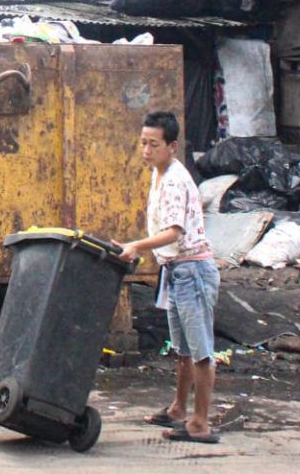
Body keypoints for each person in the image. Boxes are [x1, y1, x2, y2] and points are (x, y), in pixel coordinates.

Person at [115, 110, 221, 444]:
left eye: (154, 144)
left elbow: (174, 232)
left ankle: (201, 423)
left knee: (201, 350)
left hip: (193, 270)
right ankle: (178, 409)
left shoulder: (174, 180)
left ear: (172, 146)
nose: (146, 150)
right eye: (143, 143)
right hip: (177, 270)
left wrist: (136, 246)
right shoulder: (159, 173)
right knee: (183, 348)